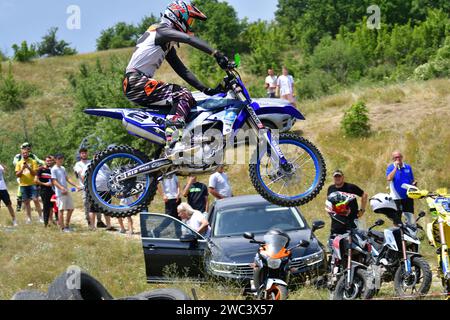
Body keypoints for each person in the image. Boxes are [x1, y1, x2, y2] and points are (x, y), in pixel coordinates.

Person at [122, 1, 229, 154]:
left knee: (181, 101)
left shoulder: (163, 40)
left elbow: (181, 70)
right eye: (189, 20)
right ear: (177, 17)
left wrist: (206, 90)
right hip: (137, 81)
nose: (190, 25)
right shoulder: (161, 31)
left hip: (134, 82)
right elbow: (189, 39)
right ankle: (173, 142)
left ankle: (160, 151)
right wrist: (216, 54)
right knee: (182, 94)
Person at [73, 148, 107, 229]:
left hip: (95, 187)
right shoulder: (78, 164)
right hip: (85, 187)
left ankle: (99, 221)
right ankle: (89, 221)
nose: (84, 154)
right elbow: (82, 175)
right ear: (80, 154)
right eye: (82, 153)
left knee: (98, 203)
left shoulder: (91, 162)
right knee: (87, 204)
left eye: (85, 153)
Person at [13, 142, 45, 213]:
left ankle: (41, 204)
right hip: (21, 174)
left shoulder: (32, 156)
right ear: (22, 148)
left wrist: (44, 163)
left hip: (31, 175)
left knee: (36, 190)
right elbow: (15, 163)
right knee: (20, 188)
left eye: (28, 147)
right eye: (25, 147)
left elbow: (39, 160)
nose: (27, 148)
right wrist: (23, 163)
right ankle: (19, 205)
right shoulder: (18, 156)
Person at [51, 154, 80, 232]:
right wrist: (61, 188)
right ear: (55, 160)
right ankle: (62, 228)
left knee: (71, 208)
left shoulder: (63, 168)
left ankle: (67, 225)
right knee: (61, 210)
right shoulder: (54, 169)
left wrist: (76, 185)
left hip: (66, 191)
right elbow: (54, 181)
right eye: (59, 159)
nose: (60, 160)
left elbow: (67, 178)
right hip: (60, 193)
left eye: (62, 159)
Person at [386, 150, 417, 215]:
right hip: (396, 197)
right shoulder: (390, 167)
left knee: (409, 216)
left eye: (399, 157)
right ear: (393, 159)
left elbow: (411, 180)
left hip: (408, 196)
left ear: (402, 157)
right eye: (396, 157)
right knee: (397, 218)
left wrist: (414, 184)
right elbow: (389, 178)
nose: (398, 159)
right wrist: (395, 168)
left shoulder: (408, 167)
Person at [35, 155, 56, 227]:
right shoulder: (40, 169)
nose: (49, 162)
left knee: (52, 206)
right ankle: (46, 224)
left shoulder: (52, 169)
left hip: (53, 190)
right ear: (45, 161)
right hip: (44, 190)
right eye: (47, 161)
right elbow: (36, 180)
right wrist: (45, 184)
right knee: (46, 206)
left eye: (50, 161)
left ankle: (51, 220)